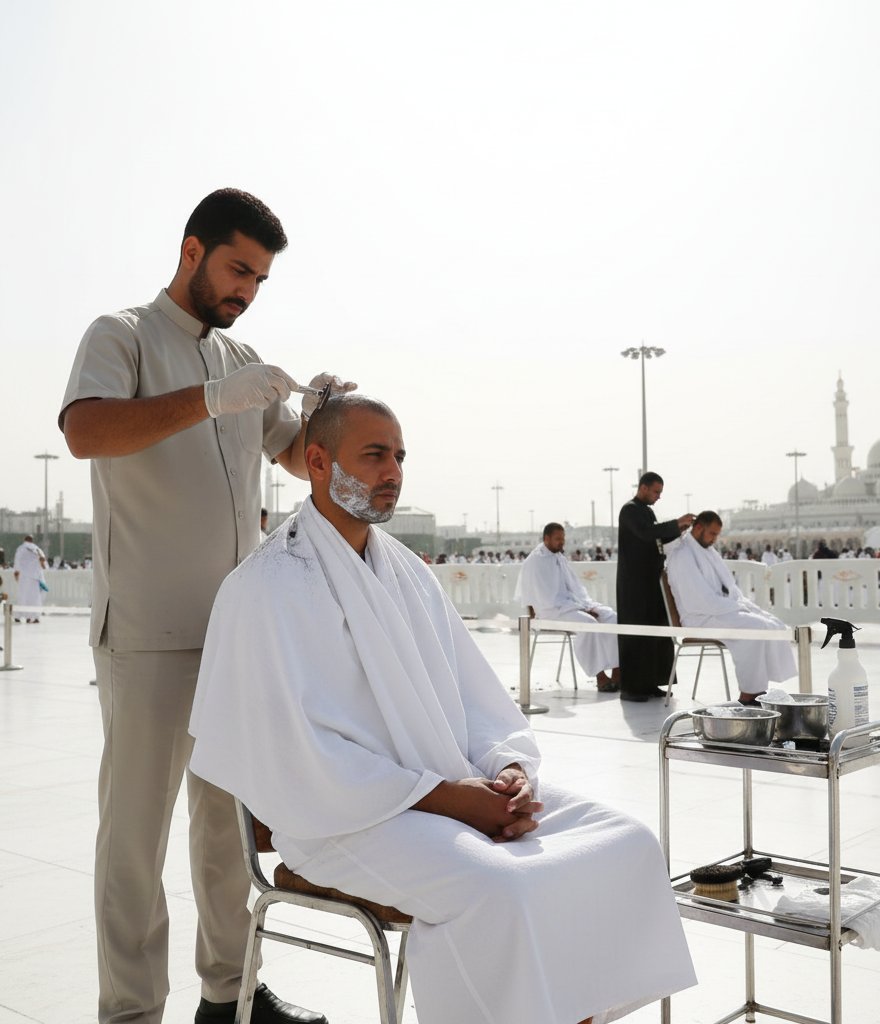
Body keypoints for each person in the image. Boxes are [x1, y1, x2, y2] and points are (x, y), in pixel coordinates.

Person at [188, 393, 697, 1024]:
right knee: (500, 889)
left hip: (452, 783)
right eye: (374, 455)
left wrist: (506, 770)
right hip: (339, 820)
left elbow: (471, 697)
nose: (392, 472)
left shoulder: (407, 572)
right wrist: (452, 798)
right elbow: (300, 760)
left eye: (399, 456)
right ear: (316, 461)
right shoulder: (265, 586)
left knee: (628, 843)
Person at [60, 189, 337, 1024]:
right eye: (237, 268)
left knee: (227, 832)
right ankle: (133, 1011)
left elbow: (292, 455)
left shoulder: (241, 355)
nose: (247, 290)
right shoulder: (122, 336)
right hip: (146, 633)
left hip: (233, 638)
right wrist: (213, 401)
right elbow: (86, 432)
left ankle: (231, 996)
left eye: (259, 278)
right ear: (192, 252)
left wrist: (320, 414)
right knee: (134, 844)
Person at [665, 512, 797, 703]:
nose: (715, 539)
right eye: (712, 534)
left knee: (771, 622)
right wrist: (735, 609)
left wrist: (739, 606)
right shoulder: (682, 555)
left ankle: (760, 689)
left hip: (715, 611)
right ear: (699, 528)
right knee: (754, 627)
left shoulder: (708, 551)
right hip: (698, 617)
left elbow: (729, 589)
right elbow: (699, 599)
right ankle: (749, 695)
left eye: (717, 535)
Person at [616, 473, 695, 702]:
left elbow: (655, 538)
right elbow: (645, 533)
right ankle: (631, 687)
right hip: (634, 584)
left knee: (656, 631)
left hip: (652, 582)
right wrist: (676, 523)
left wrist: (679, 530)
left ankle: (650, 682)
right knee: (635, 633)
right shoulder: (629, 510)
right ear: (643, 488)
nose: (658, 497)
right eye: (656, 492)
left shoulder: (647, 511)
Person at [516, 522, 620, 692]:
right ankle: (600, 677)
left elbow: (574, 589)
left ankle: (617, 673)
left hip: (570, 606)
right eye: (558, 539)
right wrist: (580, 609)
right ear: (546, 538)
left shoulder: (558, 557)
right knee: (588, 624)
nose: (562, 542)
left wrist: (585, 606)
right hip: (549, 612)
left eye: (563, 539)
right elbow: (547, 600)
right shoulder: (534, 561)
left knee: (611, 617)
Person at [13, 535, 47, 623]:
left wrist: (16, 572)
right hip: (35, 577)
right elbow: (44, 564)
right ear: (32, 540)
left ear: (25, 539)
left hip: (24, 576)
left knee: (23, 595)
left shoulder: (20, 549)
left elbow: (17, 561)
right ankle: (35, 616)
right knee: (35, 597)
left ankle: (20, 615)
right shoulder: (37, 549)